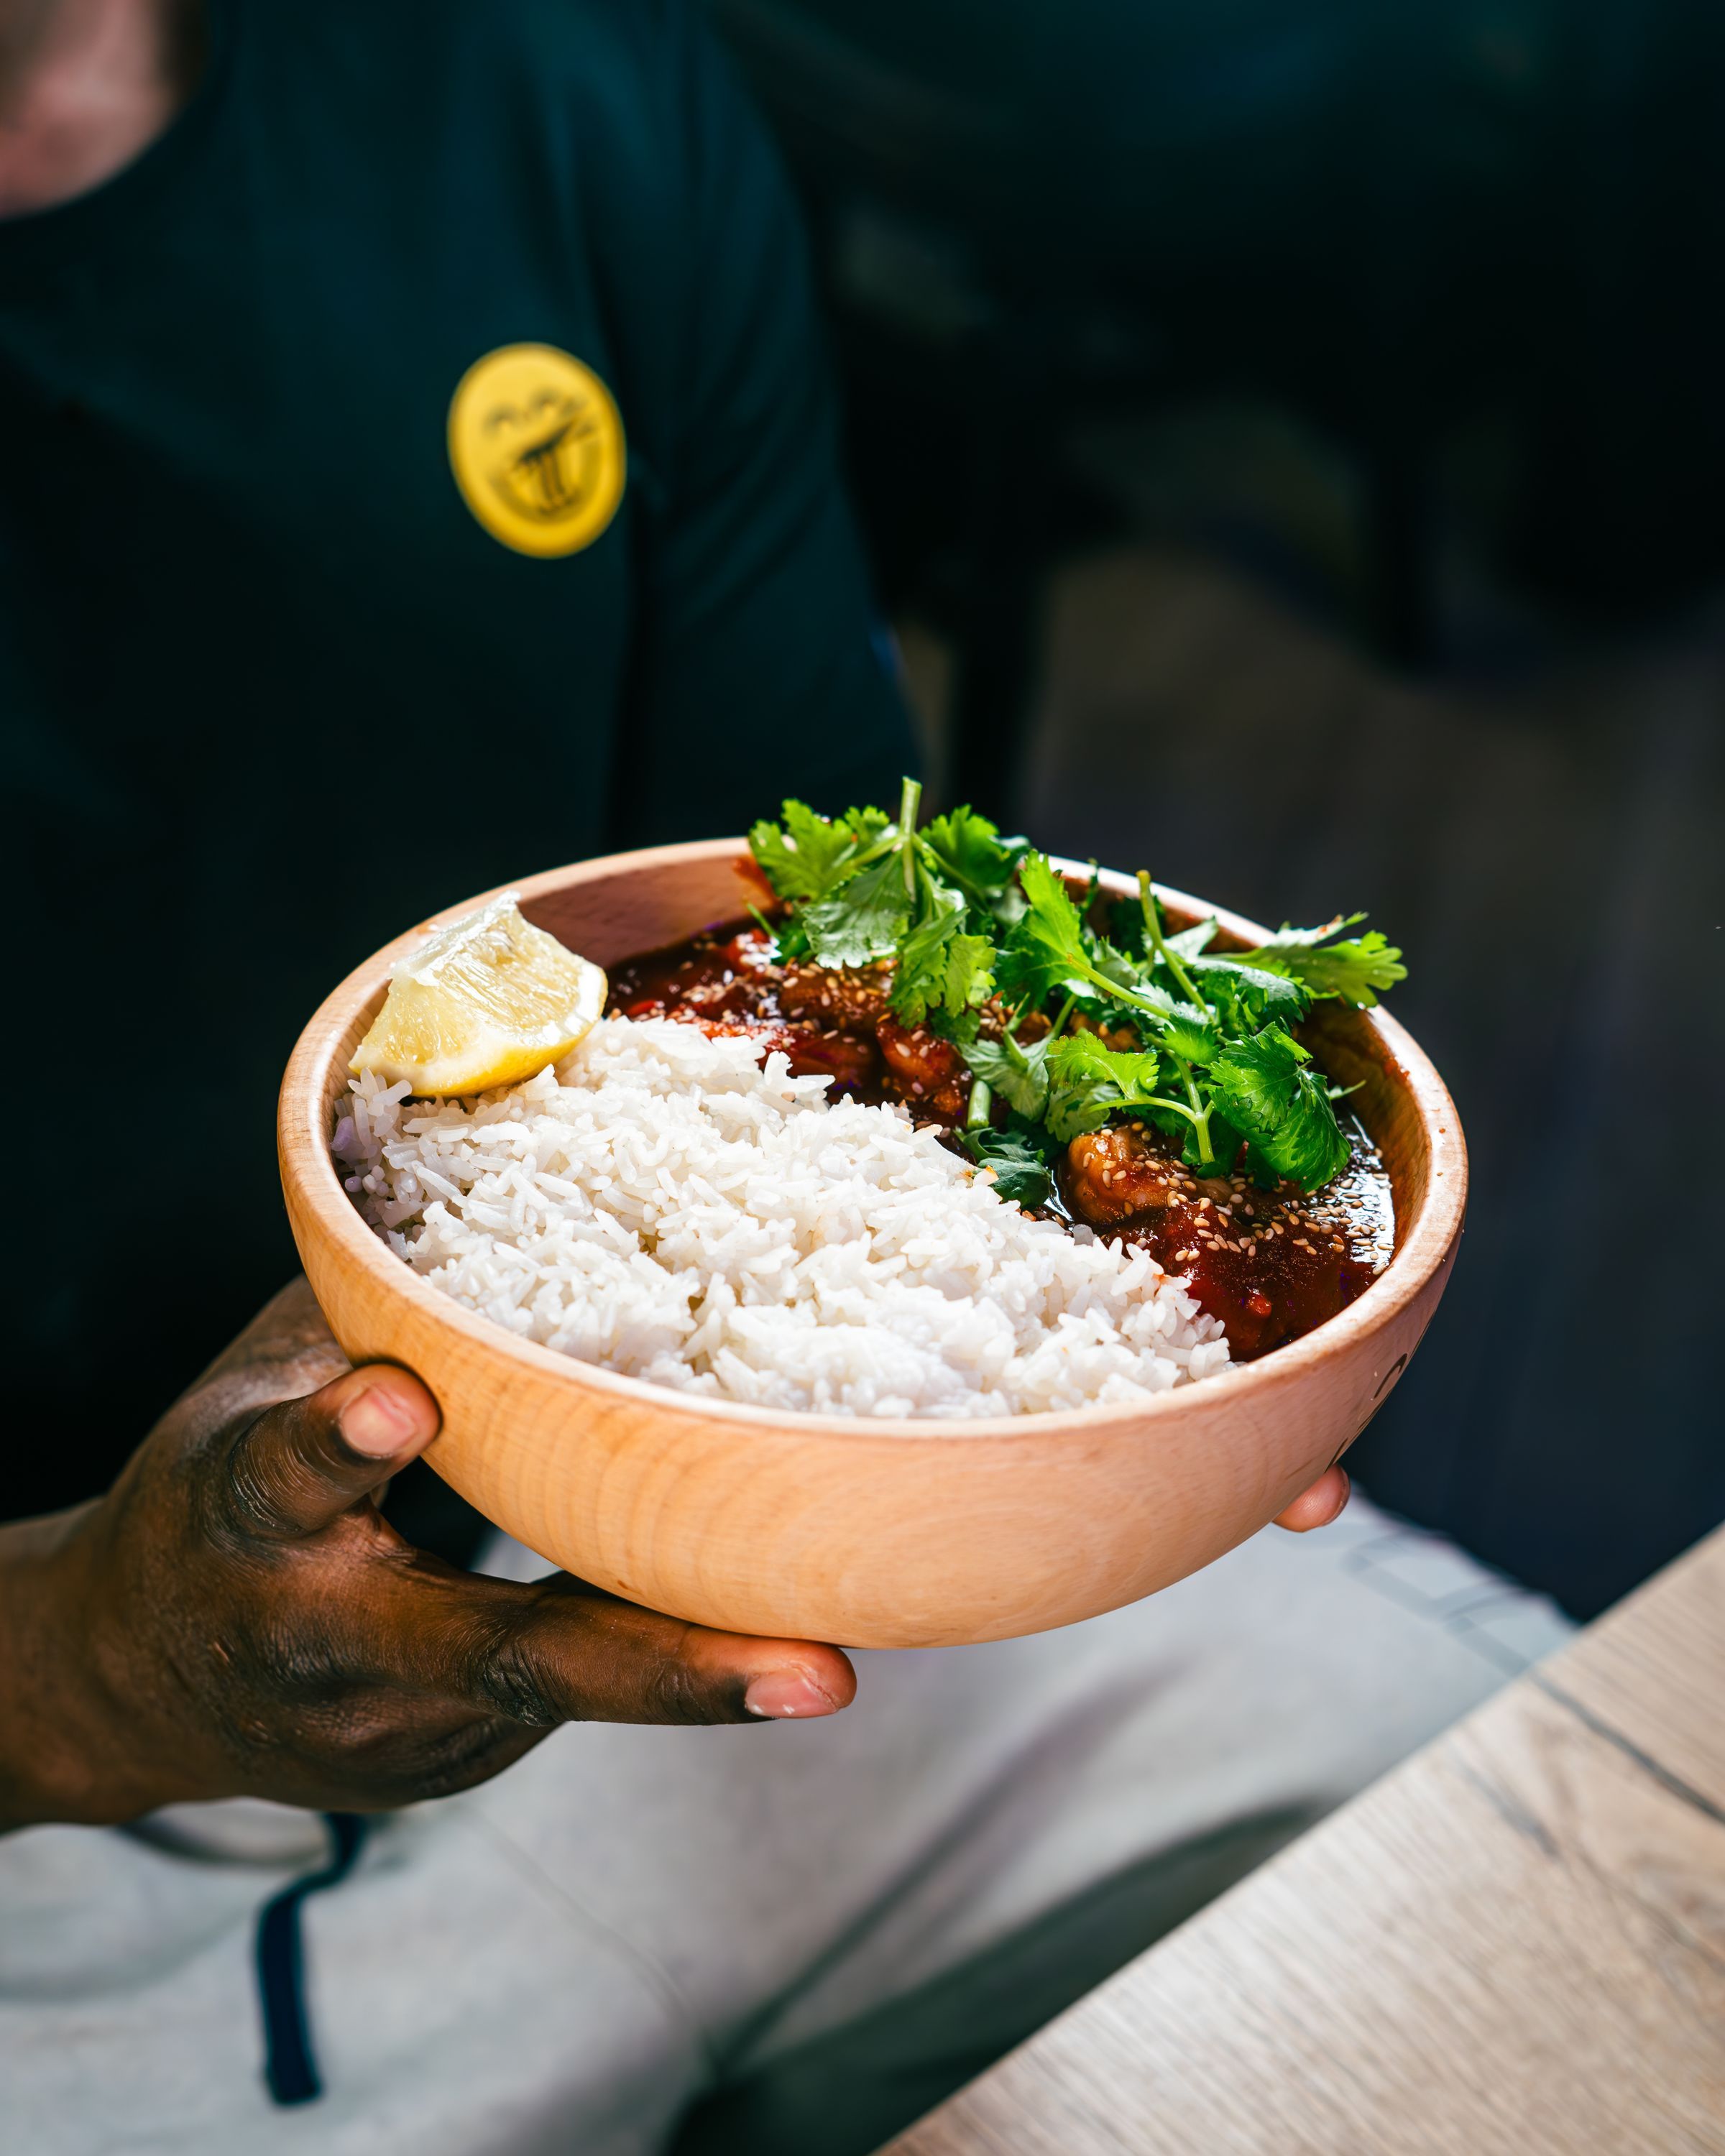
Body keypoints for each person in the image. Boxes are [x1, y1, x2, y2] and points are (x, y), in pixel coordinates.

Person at [0, 3, 1573, 2151]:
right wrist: (82, 1675)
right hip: (65, 1826)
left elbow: (826, 887)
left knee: (1561, 1859)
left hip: (847, 1524)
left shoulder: (565, 83)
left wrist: (1129, 1387)